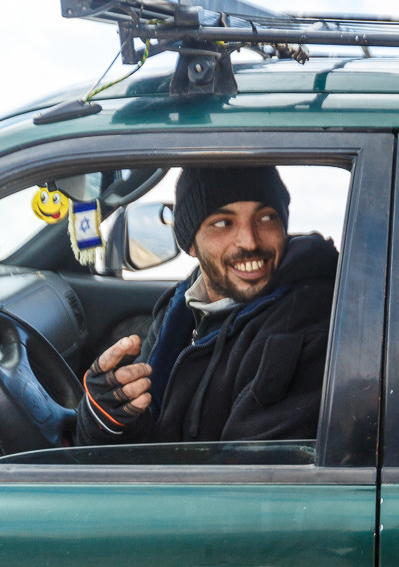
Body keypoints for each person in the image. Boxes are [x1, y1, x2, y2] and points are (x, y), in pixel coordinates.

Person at [76, 166, 339, 445]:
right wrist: (103, 419)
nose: (250, 241)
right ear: (190, 243)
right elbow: (153, 443)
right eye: (223, 223)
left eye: (266, 217)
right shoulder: (182, 308)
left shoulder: (301, 326)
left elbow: (243, 479)